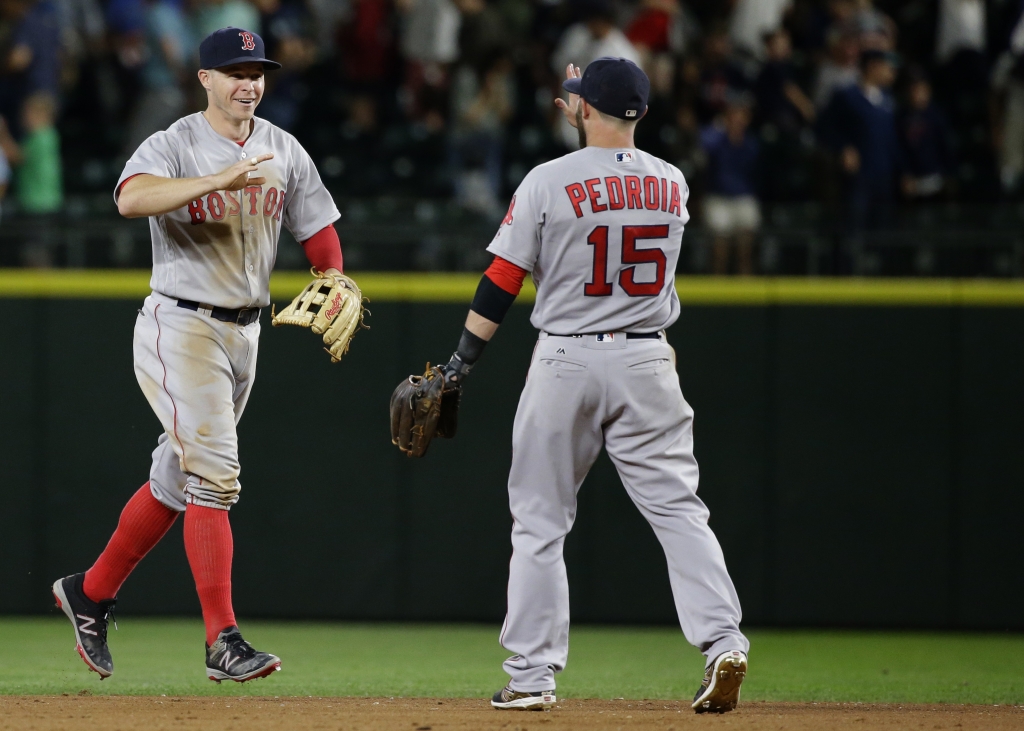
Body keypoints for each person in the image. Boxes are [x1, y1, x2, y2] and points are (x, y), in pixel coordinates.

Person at [412, 57, 749, 713]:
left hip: (566, 358)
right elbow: (616, 171)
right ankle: (723, 642)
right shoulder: (674, 182)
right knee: (680, 511)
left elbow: (502, 281)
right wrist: (591, 105)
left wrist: (460, 363)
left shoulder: (548, 180)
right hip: (649, 361)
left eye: (576, 100)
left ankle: (533, 676)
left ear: (581, 109)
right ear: (642, 112)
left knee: (539, 522)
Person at [51, 27, 345, 684]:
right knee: (216, 474)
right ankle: (223, 638)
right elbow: (129, 198)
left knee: (176, 482)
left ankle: (90, 591)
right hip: (179, 323)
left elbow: (317, 226)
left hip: (245, 333)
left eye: (257, 71)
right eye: (235, 71)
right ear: (205, 78)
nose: (249, 82)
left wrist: (332, 275)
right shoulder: (176, 142)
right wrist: (214, 178)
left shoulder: (282, 148)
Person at [700, 97, 760, 275]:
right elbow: (702, 144)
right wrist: (717, 128)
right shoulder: (716, 141)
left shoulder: (751, 145)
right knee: (720, 248)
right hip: (718, 198)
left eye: (741, 116)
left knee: (745, 248)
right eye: (733, 116)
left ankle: (745, 288)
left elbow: (757, 175)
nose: (737, 120)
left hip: (743, 197)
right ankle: (718, 291)